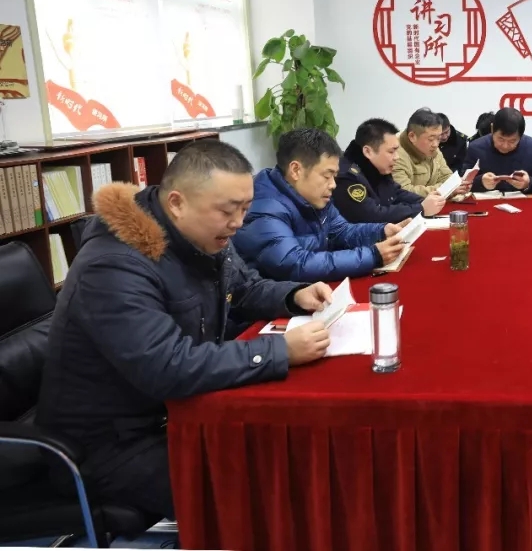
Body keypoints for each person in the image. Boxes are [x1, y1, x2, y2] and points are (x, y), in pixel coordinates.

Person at [35, 139, 337, 523]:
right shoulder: (114, 265)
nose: (239, 222)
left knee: (288, 450)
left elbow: (244, 288)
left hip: (178, 413)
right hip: (111, 446)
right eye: (228, 210)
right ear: (177, 203)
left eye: (245, 208)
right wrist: (279, 351)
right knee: (264, 491)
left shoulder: (202, 234)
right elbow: (168, 366)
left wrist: (294, 296)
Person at [234, 129, 405, 282]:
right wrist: (373, 255)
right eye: (327, 176)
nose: (333, 185)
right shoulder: (264, 209)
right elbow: (296, 264)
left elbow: (342, 232)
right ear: (296, 170)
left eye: (334, 176)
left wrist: (382, 231)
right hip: (275, 301)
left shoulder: (313, 196)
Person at [333, 118, 446, 224]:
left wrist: (425, 201)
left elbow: (396, 192)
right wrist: (420, 208)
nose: (397, 157)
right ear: (368, 152)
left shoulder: (377, 167)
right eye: (391, 152)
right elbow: (373, 216)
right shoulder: (347, 177)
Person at [463, 107, 532, 194]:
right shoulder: (476, 147)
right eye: (501, 139)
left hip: (523, 202)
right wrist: (480, 182)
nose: (505, 146)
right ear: (492, 129)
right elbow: (462, 182)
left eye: (512, 141)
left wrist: (528, 183)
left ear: (521, 135)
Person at [393, 108, 465, 197]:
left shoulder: (433, 149)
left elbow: (447, 177)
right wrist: (444, 189)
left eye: (438, 138)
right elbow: (404, 192)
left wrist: (458, 185)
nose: (436, 144)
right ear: (412, 136)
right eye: (431, 139)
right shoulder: (395, 154)